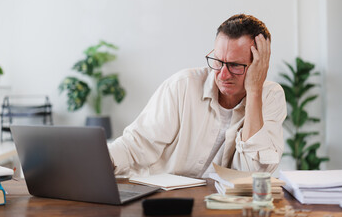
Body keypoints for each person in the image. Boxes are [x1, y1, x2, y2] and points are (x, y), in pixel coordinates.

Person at [109, 14, 287, 178]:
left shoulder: (270, 96)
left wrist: (254, 91)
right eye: (218, 61)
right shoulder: (182, 85)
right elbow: (136, 144)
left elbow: (252, 174)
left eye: (235, 65)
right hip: (163, 198)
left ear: (259, 64)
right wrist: (100, 161)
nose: (223, 75)